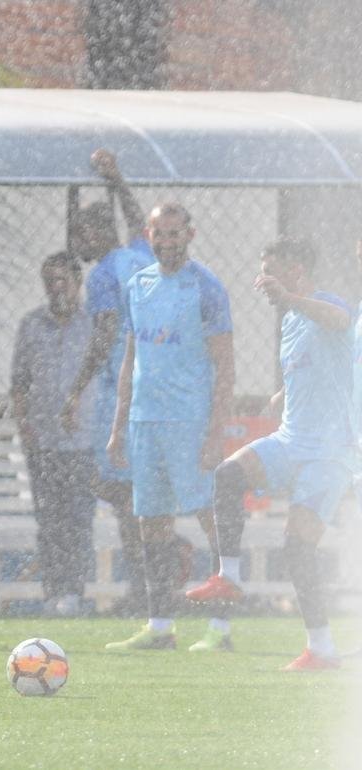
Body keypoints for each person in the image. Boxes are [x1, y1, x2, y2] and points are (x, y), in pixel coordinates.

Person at [186, 239, 353, 667]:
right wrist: (281, 393)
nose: (262, 282)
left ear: (296, 270)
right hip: (290, 440)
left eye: (270, 272)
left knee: (296, 549)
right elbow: (319, 364)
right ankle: (230, 577)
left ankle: (321, 648)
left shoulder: (323, 304)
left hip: (327, 455)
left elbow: (338, 320)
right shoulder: (292, 320)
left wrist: (290, 297)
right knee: (227, 475)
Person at [105, 202, 234, 651]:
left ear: (190, 235)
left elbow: (226, 367)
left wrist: (216, 432)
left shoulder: (206, 287)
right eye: (160, 234)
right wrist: (119, 426)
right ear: (149, 233)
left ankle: (221, 629)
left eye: (175, 234)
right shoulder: (137, 284)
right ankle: (161, 626)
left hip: (189, 421)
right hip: (145, 420)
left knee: (209, 519)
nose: (167, 242)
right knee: (152, 523)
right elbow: (130, 359)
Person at [61, 148, 162, 615]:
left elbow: (103, 336)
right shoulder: (141, 254)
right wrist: (118, 178)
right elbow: (140, 220)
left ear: (100, 233)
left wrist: (77, 388)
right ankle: (152, 579)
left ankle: (145, 589)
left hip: (122, 390)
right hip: (154, 387)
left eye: (82, 232)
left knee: (121, 496)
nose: (77, 241)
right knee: (131, 493)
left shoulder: (104, 274)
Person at [11, 252, 97, 616]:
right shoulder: (32, 325)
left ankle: (74, 592)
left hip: (83, 441)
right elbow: (19, 382)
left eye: (63, 280)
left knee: (78, 518)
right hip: (44, 440)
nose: (56, 288)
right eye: (50, 281)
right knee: (49, 520)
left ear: (78, 283)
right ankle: (52, 591)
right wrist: (25, 425)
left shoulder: (94, 324)